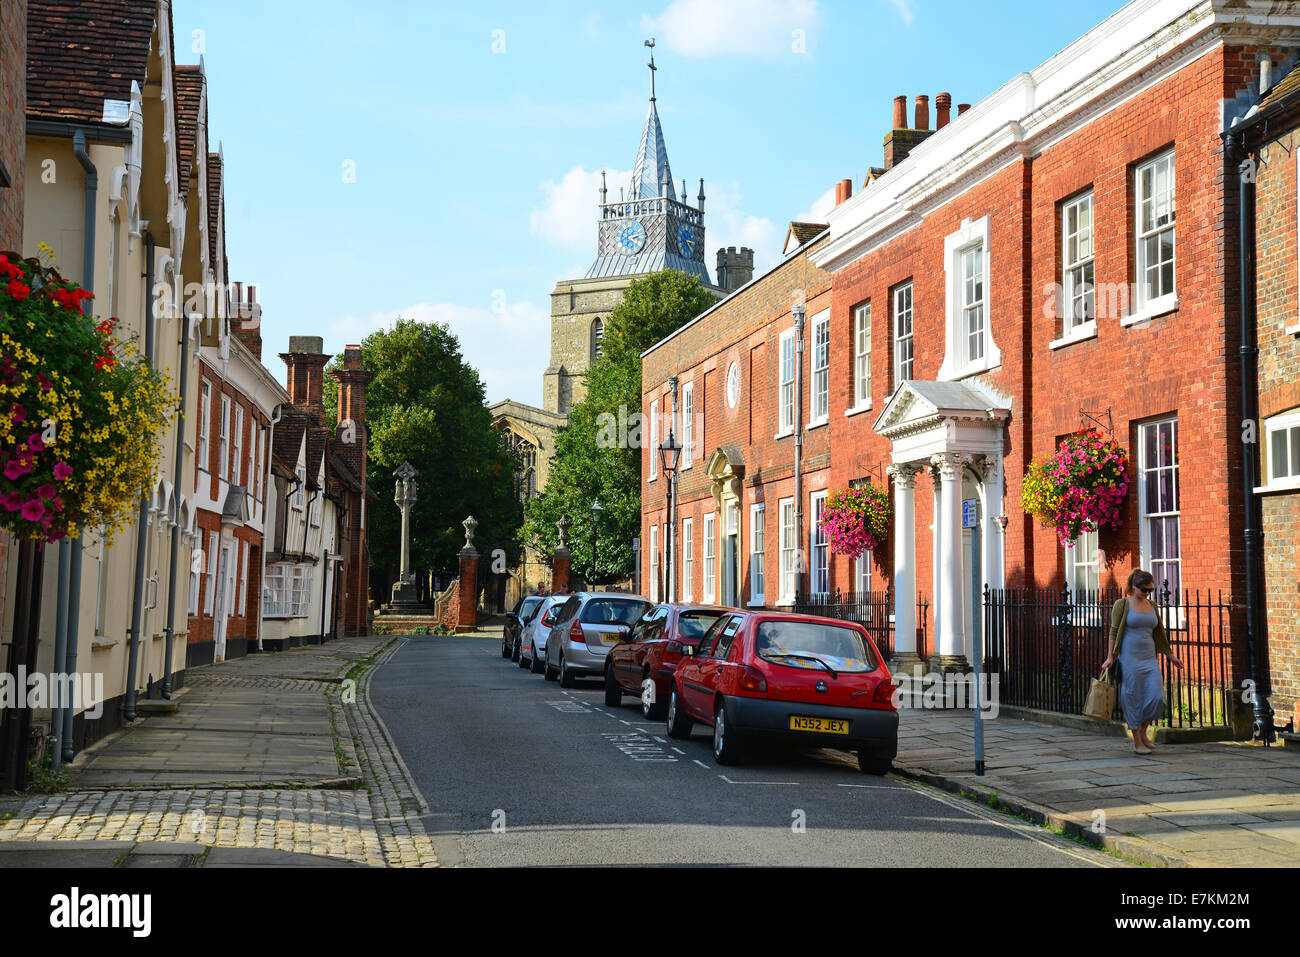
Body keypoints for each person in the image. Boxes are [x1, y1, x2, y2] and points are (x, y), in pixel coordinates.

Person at [1101, 568, 1184, 755]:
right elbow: (1114, 632)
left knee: (1156, 698)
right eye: (1144, 589)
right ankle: (1137, 740)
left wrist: (1171, 656)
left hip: (1149, 659)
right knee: (1131, 698)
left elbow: (1159, 634)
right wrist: (1110, 657)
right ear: (1133, 586)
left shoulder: (1152, 606)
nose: (1147, 593)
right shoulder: (1122, 605)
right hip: (1129, 659)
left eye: (1150, 590)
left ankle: (1143, 730)